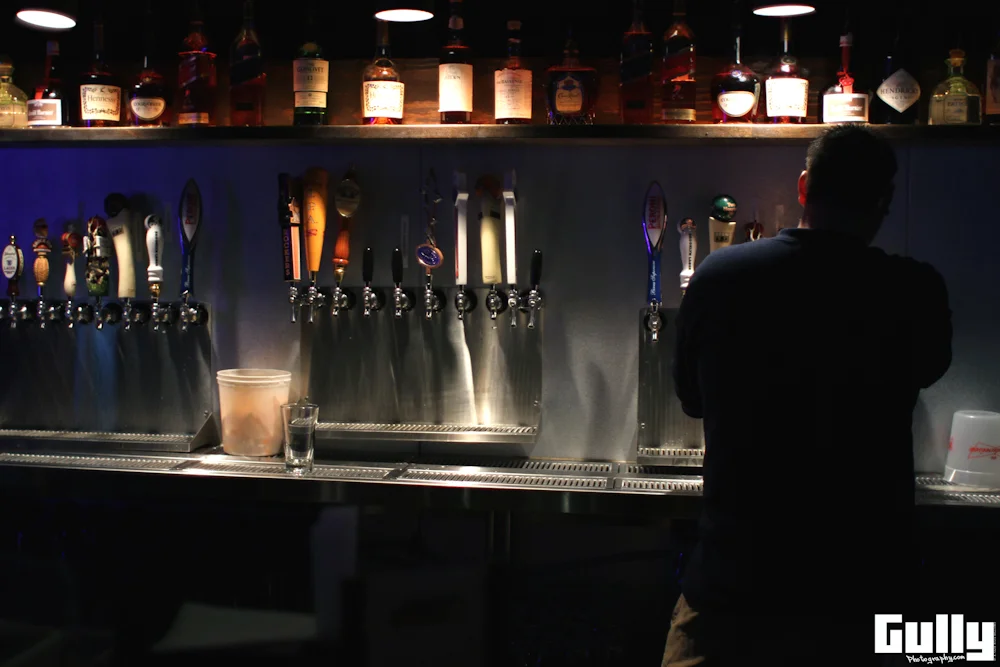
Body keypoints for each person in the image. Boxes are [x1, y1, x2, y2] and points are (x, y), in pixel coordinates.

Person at [663, 126, 952, 666]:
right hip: (862, 596)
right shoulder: (914, 291)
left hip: (735, 589)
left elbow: (691, 399)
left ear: (803, 186)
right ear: (884, 202)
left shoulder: (720, 277)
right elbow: (929, 368)